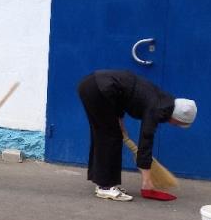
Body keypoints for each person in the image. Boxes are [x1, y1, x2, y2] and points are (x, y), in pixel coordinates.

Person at [76, 70, 196, 202]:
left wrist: (119, 120)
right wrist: (147, 181)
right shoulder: (157, 108)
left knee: (104, 134)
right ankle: (105, 187)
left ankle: (103, 183)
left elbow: (124, 94)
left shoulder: (163, 101)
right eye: (179, 124)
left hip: (94, 85)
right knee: (110, 136)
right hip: (98, 89)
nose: (176, 125)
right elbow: (146, 140)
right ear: (177, 117)